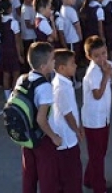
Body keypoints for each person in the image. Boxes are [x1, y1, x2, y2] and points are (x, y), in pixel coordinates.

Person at [82, 36, 112, 193]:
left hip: (104, 117)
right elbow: (97, 94)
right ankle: (100, 188)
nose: (102, 58)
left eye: (104, 53)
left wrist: (110, 73)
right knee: (97, 155)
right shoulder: (92, 72)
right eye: (97, 55)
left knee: (99, 152)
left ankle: (89, 179)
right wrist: (106, 75)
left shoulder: (108, 66)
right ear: (89, 57)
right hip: (93, 120)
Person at [21, 42, 62, 193]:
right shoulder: (44, 87)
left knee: (29, 174)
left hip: (26, 137)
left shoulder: (24, 78)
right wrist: (54, 137)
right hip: (41, 138)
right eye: (52, 59)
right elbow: (41, 119)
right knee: (47, 177)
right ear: (44, 66)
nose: (55, 62)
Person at [50, 49, 83, 193]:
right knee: (71, 175)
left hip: (68, 136)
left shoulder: (64, 83)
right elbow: (67, 114)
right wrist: (77, 130)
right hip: (67, 139)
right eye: (72, 63)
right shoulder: (61, 87)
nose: (75, 66)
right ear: (62, 68)